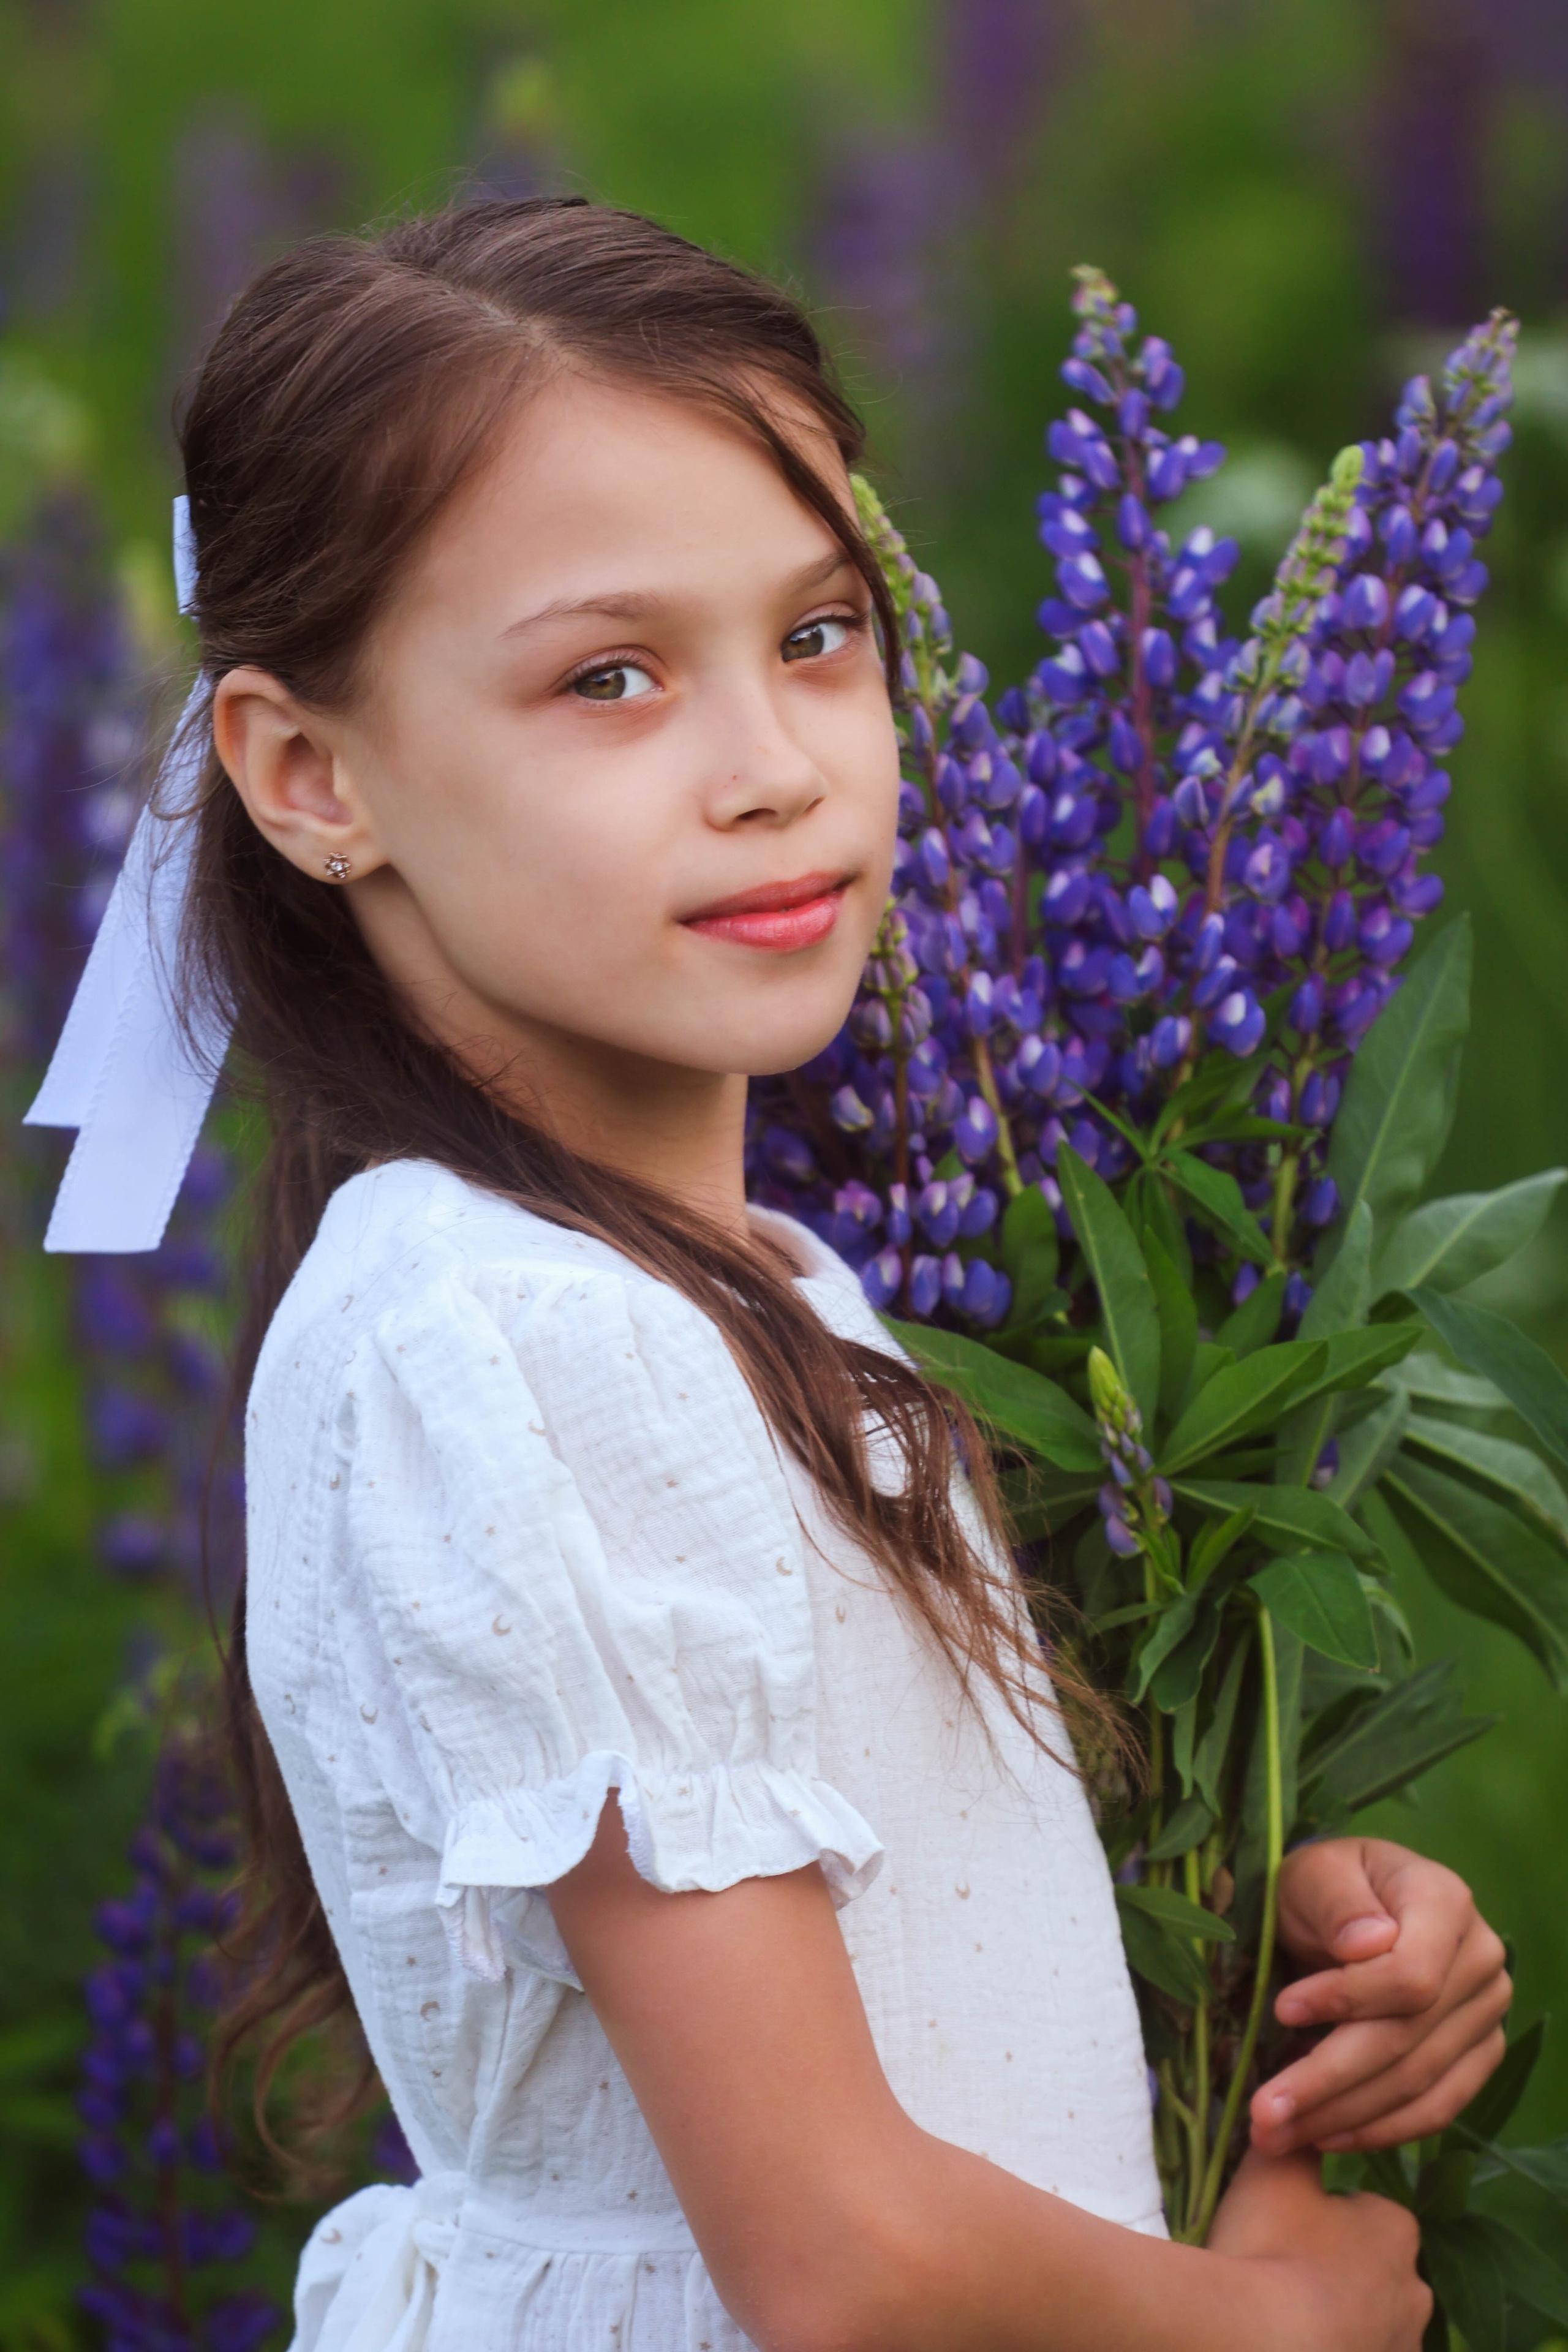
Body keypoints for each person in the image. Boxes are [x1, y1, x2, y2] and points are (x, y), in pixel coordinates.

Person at [157, 198, 1508, 2350]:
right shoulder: (513, 1339)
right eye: (612, 677)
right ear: (311, 777)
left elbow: (879, 1928)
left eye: (818, 634)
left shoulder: (742, 1287)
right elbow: (838, 2259)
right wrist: (1269, 2330)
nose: (778, 767)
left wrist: (1279, 1942)